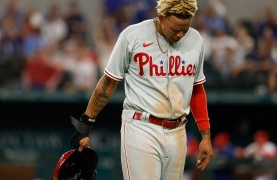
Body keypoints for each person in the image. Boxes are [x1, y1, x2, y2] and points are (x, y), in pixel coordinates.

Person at [69, 0, 213, 179]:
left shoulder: (195, 39)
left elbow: (197, 88)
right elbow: (108, 83)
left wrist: (205, 135)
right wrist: (85, 124)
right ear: (161, 18)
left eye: (185, 28)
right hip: (142, 127)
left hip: (178, 131)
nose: (180, 34)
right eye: (175, 29)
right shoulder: (133, 36)